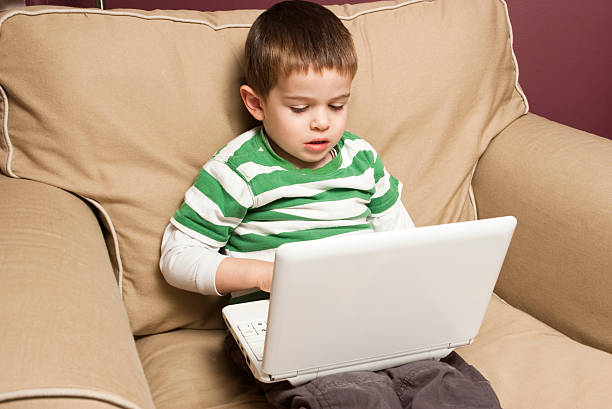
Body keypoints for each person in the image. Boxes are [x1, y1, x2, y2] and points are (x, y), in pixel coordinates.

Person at [160, 2, 501, 408]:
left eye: (337, 105)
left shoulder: (361, 160)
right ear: (256, 104)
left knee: (450, 389)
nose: (322, 122)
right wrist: (263, 274)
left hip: (369, 314)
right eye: (300, 108)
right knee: (358, 398)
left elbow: (403, 242)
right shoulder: (237, 171)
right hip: (283, 328)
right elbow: (176, 257)